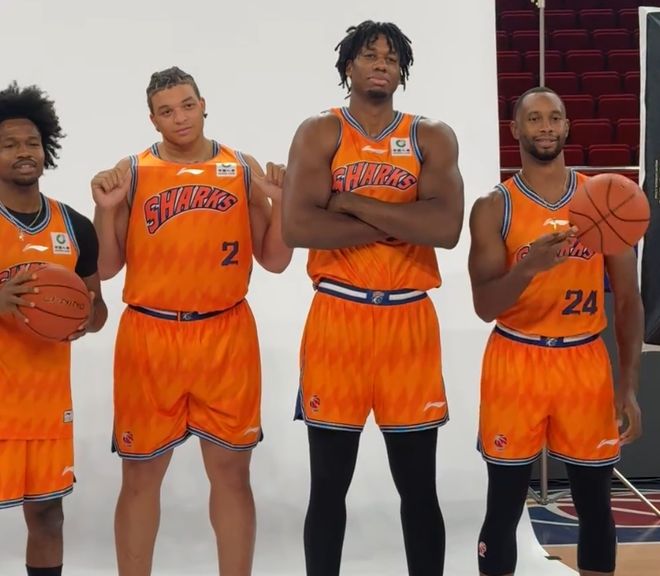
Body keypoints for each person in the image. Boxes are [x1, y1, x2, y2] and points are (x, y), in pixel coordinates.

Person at [91, 67, 293, 576]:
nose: (179, 117)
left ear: (204, 105)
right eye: (166, 111)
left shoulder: (240, 167)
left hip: (225, 332)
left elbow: (275, 261)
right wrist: (105, 211)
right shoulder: (133, 172)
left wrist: (282, 202)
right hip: (150, 333)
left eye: (186, 105)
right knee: (140, 478)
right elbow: (108, 269)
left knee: (232, 476)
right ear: (152, 119)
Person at [282, 21, 464, 576]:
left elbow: (446, 229)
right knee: (328, 485)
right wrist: (404, 220)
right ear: (348, 67)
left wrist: (351, 202)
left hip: (408, 318)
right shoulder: (320, 132)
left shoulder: (431, 136)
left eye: (390, 57)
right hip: (338, 314)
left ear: (401, 70)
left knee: (419, 486)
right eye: (369, 55)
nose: (381, 63)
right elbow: (298, 227)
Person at [468, 86, 643, 576]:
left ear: (567, 126)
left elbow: (628, 300)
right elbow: (484, 306)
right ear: (515, 130)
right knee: (504, 505)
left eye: (554, 117)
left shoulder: (604, 200)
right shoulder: (493, 207)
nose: (545, 126)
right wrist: (529, 268)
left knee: (595, 503)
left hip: (583, 359)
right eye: (534, 118)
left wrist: (629, 384)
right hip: (515, 357)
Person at [0, 82, 107, 576]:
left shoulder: (75, 225)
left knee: (48, 516)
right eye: (8, 144)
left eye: (31, 142)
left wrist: (84, 315)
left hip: (45, 404)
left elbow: (97, 312)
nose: (23, 152)